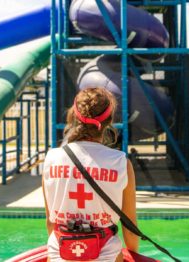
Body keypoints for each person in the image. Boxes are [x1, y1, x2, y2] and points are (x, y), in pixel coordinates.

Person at [42, 87, 139, 262]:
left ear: (73, 116)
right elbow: (129, 224)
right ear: (109, 121)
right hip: (107, 256)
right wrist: (133, 256)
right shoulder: (120, 163)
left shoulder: (52, 158)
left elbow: (51, 222)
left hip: (60, 254)